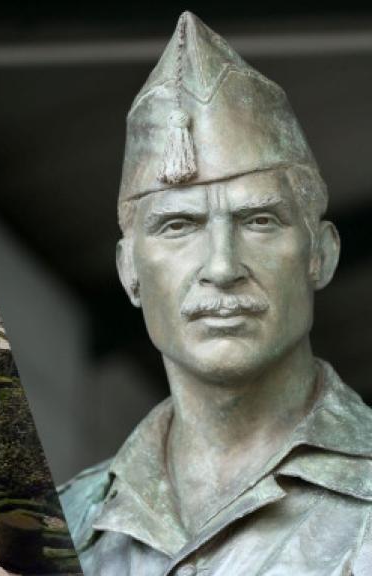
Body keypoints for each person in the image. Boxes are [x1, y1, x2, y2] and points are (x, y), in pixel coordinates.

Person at [59, 12, 372, 575]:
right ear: (129, 270)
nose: (222, 268)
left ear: (320, 254)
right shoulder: (70, 518)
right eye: (178, 226)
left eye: (259, 221)